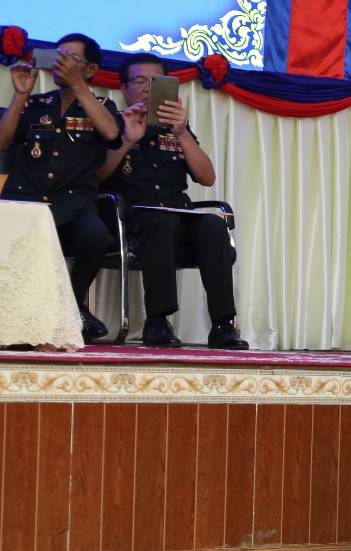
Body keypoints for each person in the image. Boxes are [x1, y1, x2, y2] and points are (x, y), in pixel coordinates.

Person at [97, 54, 246, 348]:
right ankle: (157, 321)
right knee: (162, 223)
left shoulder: (176, 129)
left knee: (213, 225)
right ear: (124, 88)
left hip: (178, 214)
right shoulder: (113, 124)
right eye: (140, 81)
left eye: (156, 82)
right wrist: (127, 140)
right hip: (132, 218)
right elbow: (96, 177)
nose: (148, 89)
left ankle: (223, 325)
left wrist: (182, 132)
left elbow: (207, 177)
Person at [0, 34, 123, 341]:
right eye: (58, 56)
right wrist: (20, 95)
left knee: (96, 236)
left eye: (71, 58)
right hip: (27, 201)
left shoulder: (102, 107)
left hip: (73, 203)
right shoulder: (37, 103)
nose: (61, 63)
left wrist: (79, 87)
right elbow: (2, 142)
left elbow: (111, 134)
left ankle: (75, 303)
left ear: (91, 70)